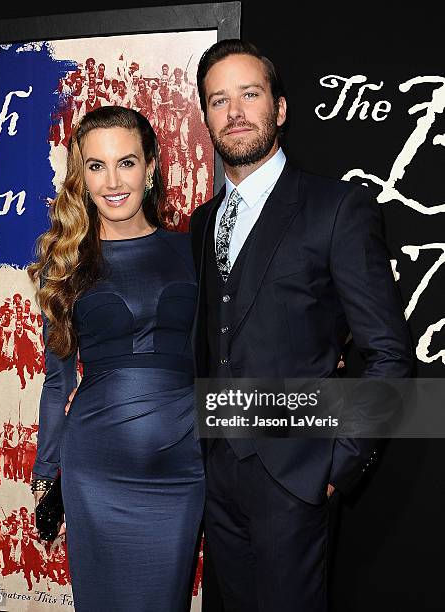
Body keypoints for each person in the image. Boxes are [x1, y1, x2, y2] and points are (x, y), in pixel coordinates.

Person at [190, 39, 413, 611]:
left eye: (250, 94)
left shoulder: (336, 208)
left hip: (296, 475)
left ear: (280, 109)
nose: (235, 112)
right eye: (219, 100)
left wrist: (338, 465)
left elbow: (389, 353)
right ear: (206, 115)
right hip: (216, 475)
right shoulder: (203, 223)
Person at [28, 105, 204, 611]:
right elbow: (56, 382)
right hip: (97, 469)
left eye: (125, 162)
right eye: (96, 165)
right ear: (80, 177)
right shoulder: (64, 264)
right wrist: (47, 473)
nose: (112, 182)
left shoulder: (193, 251)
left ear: (150, 168)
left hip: (183, 464)